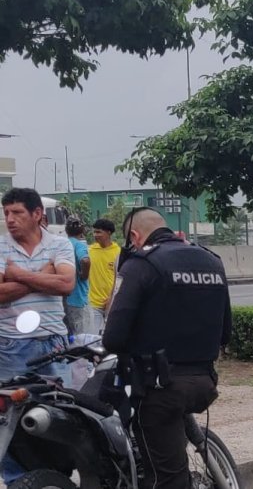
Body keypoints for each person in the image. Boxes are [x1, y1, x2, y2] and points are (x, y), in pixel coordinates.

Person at [103, 208, 232, 489]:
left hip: (159, 389)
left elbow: (112, 337)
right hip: (204, 381)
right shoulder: (212, 261)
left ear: (134, 236)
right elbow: (226, 332)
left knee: (166, 478)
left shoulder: (141, 264)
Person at [0, 189, 76, 379]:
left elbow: (66, 284)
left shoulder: (60, 244)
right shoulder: (1, 246)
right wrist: (44, 276)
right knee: (14, 406)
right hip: (11, 344)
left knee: (59, 404)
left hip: (54, 341)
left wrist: (17, 275)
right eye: (6, 212)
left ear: (37, 214)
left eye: (17, 212)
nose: (10, 219)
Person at [88, 218, 121, 329]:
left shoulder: (118, 252)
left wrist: (112, 298)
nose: (95, 235)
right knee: (94, 339)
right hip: (93, 303)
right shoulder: (90, 251)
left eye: (99, 232)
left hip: (112, 303)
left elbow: (120, 279)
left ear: (109, 232)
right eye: (94, 232)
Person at [64, 218, 93, 336]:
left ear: (66, 230)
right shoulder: (79, 245)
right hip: (78, 299)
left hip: (64, 299)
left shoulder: (62, 244)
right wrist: (84, 275)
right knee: (81, 337)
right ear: (82, 232)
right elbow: (85, 261)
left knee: (68, 335)